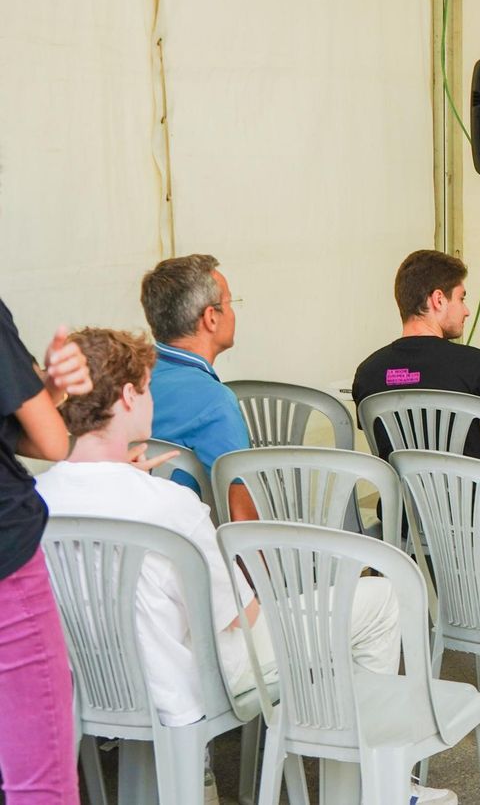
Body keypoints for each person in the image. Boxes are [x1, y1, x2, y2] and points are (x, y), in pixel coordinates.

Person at [34, 329, 455, 804]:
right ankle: (381, 786)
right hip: (194, 680)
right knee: (378, 600)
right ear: (129, 395)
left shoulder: (35, 499)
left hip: (93, 680)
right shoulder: (169, 504)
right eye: (148, 387)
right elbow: (242, 615)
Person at [0, 303, 91, 805]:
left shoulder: (375, 366)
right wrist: (47, 390)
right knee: (40, 784)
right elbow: (51, 439)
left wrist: (41, 388)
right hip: (6, 568)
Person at [352, 249, 480, 464]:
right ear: (438, 299)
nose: (467, 311)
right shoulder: (476, 365)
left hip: (401, 497)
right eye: (461, 298)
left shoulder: (368, 372)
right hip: (470, 497)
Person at [141, 253, 257, 521]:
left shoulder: (126, 376)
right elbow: (242, 519)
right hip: (187, 548)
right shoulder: (214, 401)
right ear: (211, 318)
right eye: (229, 302)